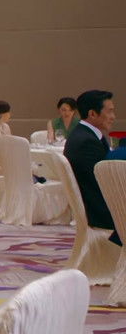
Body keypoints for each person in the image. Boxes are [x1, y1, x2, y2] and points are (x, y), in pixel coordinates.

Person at [66, 90, 118, 244]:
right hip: (101, 212)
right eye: (109, 111)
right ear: (92, 114)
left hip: (96, 207)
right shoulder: (86, 142)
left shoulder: (82, 135)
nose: (113, 117)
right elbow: (103, 183)